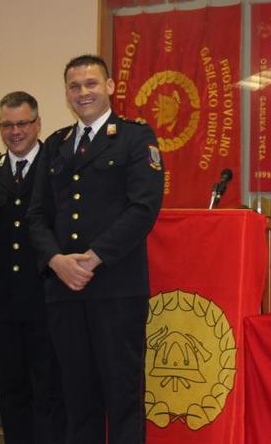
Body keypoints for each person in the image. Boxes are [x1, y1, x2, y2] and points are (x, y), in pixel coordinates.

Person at [28, 54, 164, 444]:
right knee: (77, 399)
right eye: (74, 86)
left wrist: (93, 258)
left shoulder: (136, 137)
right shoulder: (55, 145)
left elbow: (143, 208)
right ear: (66, 93)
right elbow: (36, 214)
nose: (82, 92)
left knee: (122, 397)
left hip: (115, 289)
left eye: (91, 83)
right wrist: (56, 260)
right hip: (64, 290)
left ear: (110, 86)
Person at [0, 91, 66, 443]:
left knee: (49, 391)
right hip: (4, 303)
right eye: (7, 125)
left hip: (46, 299)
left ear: (37, 124)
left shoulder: (58, 165)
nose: (15, 131)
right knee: (11, 391)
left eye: (22, 124)